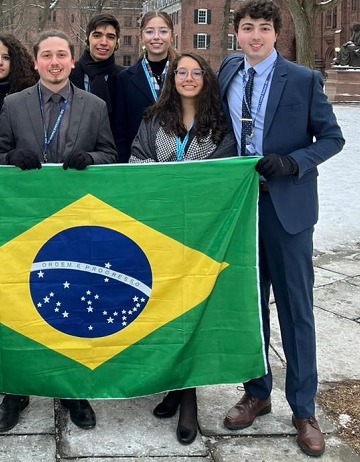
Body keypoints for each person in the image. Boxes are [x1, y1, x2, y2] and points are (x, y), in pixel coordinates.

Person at [217, 0, 345, 457]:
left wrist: (293, 162)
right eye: (247, 27)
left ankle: (304, 407)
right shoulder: (228, 73)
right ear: (237, 34)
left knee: (296, 309)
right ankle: (257, 391)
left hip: (287, 209)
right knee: (249, 308)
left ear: (276, 34)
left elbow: (333, 138)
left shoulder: (305, 80)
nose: (255, 36)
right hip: (241, 210)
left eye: (264, 28)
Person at [0, 30, 117, 432]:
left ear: (72, 61)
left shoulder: (95, 106)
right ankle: (16, 390)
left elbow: (111, 155)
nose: (55, 62)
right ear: (38, 62)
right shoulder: (13, 104)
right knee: (21, 306)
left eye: (62, 54)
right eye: (47, 55)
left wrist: (91, 158)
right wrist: (13, 157)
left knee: (73, 305)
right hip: (25, 223)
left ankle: (73, 390)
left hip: (76, 224)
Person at [129, 53, 235, 445]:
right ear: (171, 79)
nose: (188, 78)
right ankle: (174, 384)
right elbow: (136, 159)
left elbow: (225, 173)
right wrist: (162, 185)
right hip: (160, 229)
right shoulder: (153, 119)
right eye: (180, 73)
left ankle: (188, 398)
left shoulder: (220, 125)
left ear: (206, 79)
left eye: (195, 72)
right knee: (165, 309)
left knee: (193, 312)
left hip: (201, 232)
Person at [114, 10, 177, 162]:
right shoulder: (125, 79)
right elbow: (120, 131)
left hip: (178, 161)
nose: (156, 37)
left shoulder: (184, 75)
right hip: (139, 162)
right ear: (141, 37)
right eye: (149, 32)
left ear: (172, 37)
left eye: (163, 31)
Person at [70, 13, 124, 135]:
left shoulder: (124, 78)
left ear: (116, 43)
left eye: (110, 37)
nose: (103, 42)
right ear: (87, 39)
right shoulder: (68, 75)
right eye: (97, 35)